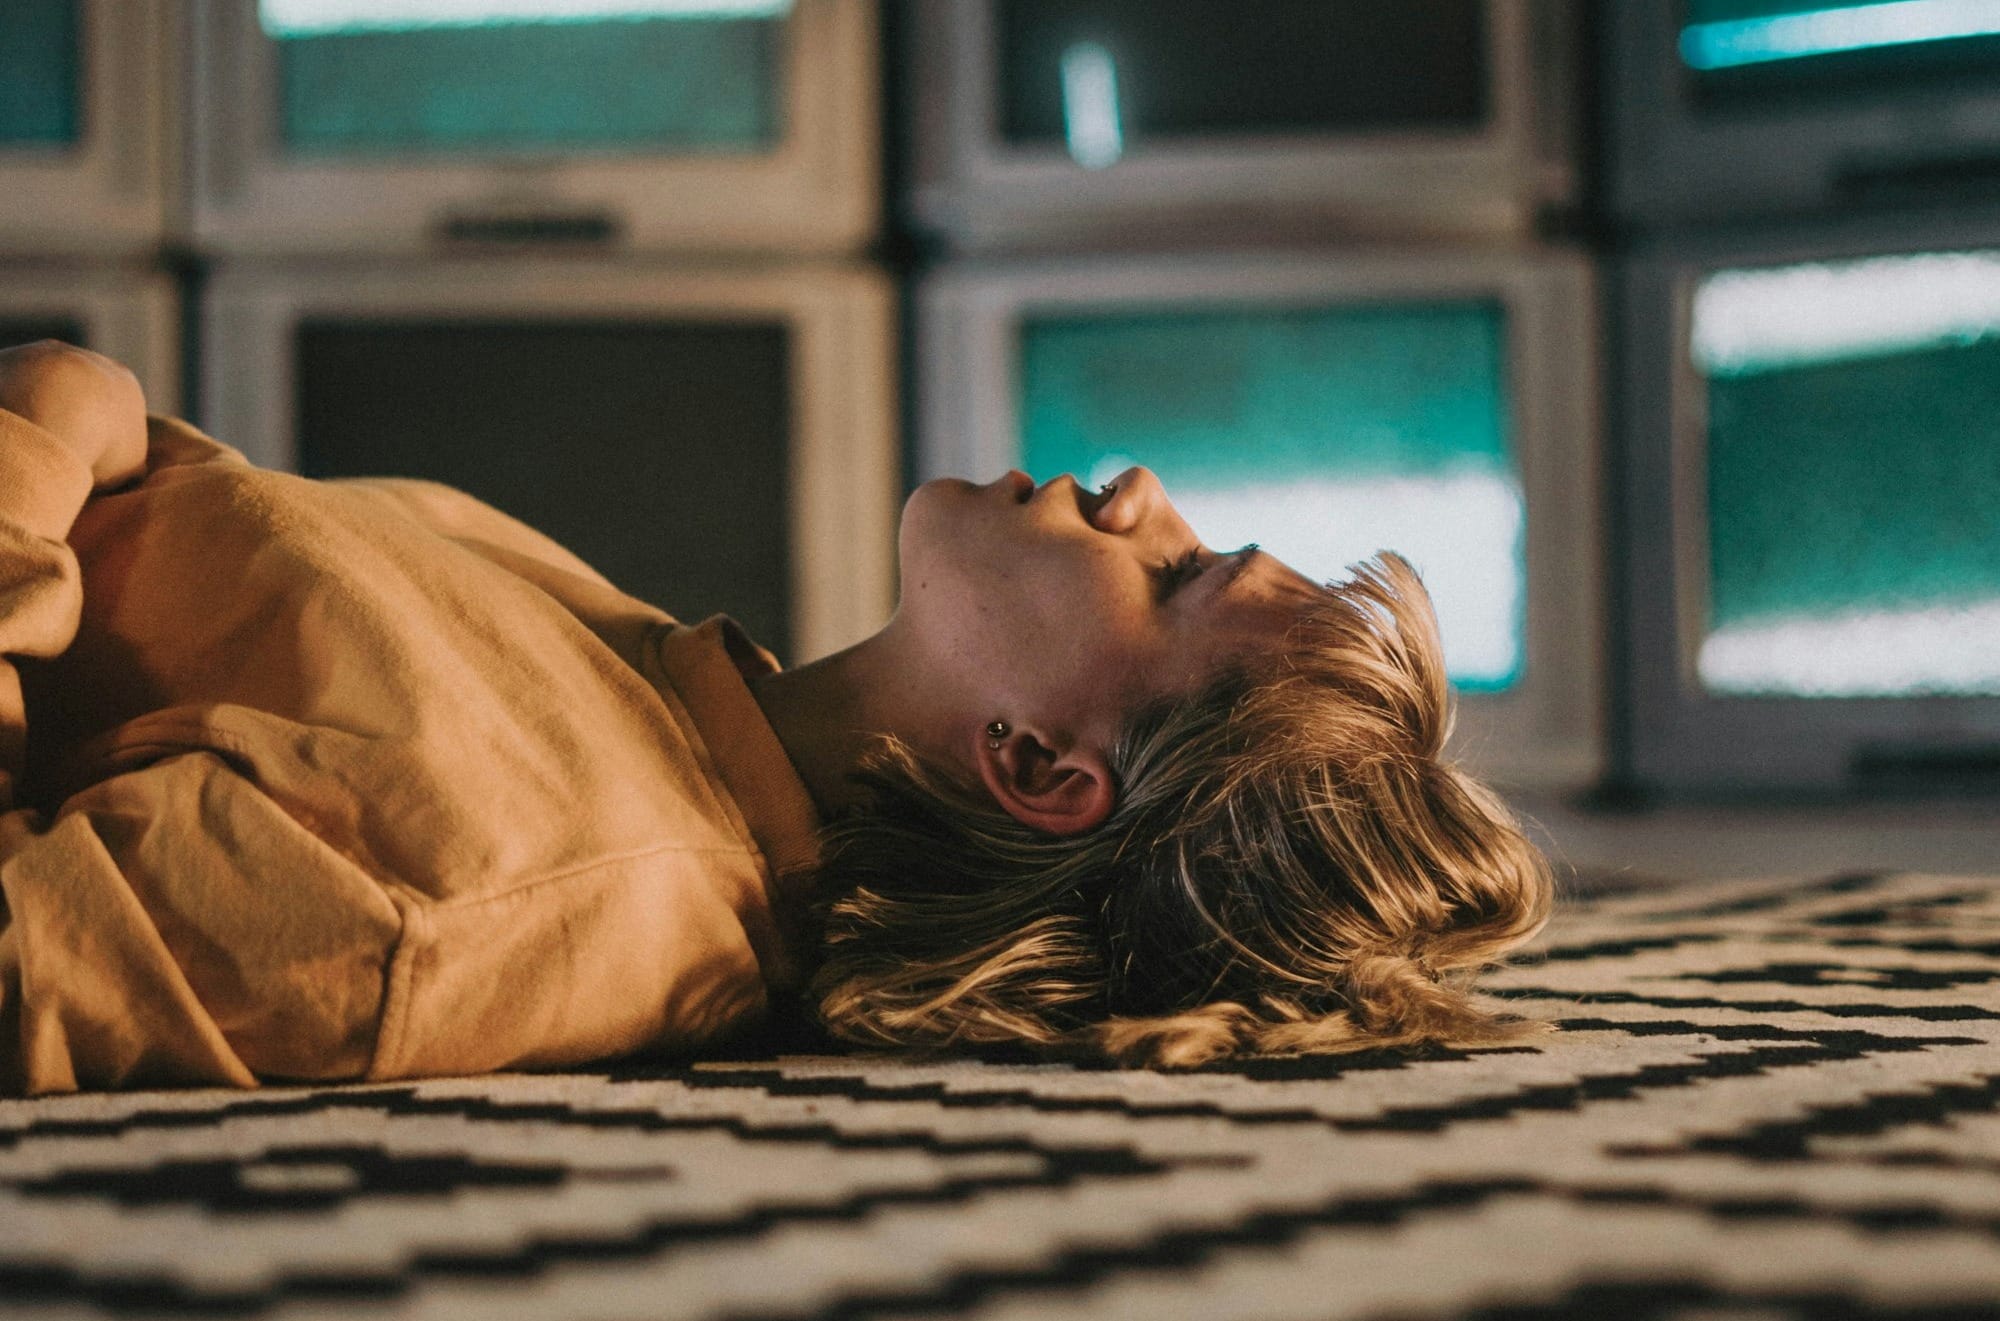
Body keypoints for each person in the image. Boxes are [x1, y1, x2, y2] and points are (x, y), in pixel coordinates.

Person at [0, 339, 1551, 1096]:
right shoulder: (649, 681)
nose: (1137, 493)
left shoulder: (471, 880)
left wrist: (45, 427)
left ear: (1037, 764)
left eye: (1178, 574)